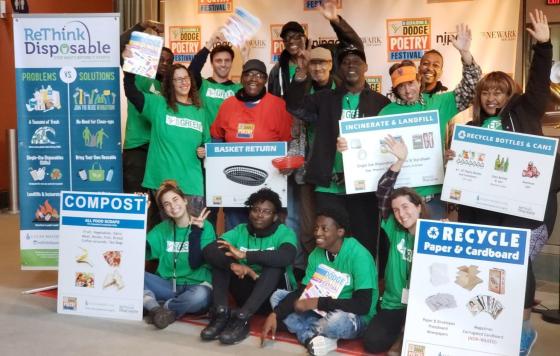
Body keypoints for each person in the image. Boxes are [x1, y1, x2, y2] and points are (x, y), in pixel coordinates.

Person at [450, 10, 555, 356]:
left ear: (510, 95)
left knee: (517, 265)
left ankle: (523, 331)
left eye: (499, 92)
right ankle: (489, 329)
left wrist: (543, 46)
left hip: (528, 212)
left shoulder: (525, 111)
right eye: (486, 94)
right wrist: (455, 163)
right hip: (485, 212)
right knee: (489, 265)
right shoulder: (474, 130)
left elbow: (540, 83)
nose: (492, 99)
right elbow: (466, 177)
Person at [286, 44, 391, 256]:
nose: (351, 65)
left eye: (356, 61)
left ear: (366, 67)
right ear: (339, 68)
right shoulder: (325, 98)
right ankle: (331, 288)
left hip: (364, 188)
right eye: (345, 62)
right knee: (328, 242)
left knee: (364, 242)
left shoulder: (381, 102)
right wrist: (301, 73)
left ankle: (365, 286)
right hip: (330, 188)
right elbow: (294, 105)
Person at [378, 23, 481, 219]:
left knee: (431, 248)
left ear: (419, 80)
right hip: (399, 198)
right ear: (394, 89)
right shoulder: (385, 113)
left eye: (411, 83)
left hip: (432, 197)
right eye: (401, 87)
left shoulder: (439, 103)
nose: (408, 90)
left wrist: (465, 53)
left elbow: (472, 86)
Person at [261, 207, 378, 356]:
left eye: (324, 229)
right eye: (316, 228)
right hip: (321, 310)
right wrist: (275, 315)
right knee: (277, 297)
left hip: (351, 315)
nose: (317, 233)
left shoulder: (359, 255)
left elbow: (363, 305)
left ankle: (308, 332)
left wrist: (318, 303)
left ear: (340, 232)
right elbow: (303, 291)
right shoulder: (316, 254)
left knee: (336, 322)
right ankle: (315, 337)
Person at [200, 188, 297, 345]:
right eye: (256, 210)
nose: (259, 215)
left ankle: (242, 319)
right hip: (246, 293)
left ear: (274, 217)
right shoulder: (240, 230)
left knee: (274, 265)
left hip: (273, 298)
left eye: (266, 211)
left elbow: (287, 256)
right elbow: (210, 250)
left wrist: (246, 256)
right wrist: (233, 265)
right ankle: (221, 313)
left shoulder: (284, 232)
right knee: (221, 260)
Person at [357, 136, 426, 353]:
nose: (401, 214)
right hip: (394, 303)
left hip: (423, 306)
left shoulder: (434, 234)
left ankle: (406, 331)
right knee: (372, 343)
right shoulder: (394, 229)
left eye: (406, 207)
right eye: (396, 210)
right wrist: (399, 161)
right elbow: (383, 191)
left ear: (419, 207)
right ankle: (400, 329)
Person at [210, 59, 293, 231]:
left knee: (267, 236)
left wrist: (287, 163)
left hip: (269, 185)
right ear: (241, 78)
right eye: (248, 74)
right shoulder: (228, 105)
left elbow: (288, 143)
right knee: (235, 233)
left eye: (259, 75)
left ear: (265, 80)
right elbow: (216, 138)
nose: (253, 79)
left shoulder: (278, 106)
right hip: (234, 186)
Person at [123, 58, 210, 219]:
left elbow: (207, 142)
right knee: (164, 238)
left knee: (192, 235)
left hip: (192, 184)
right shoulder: (158, 105)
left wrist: (204, 149)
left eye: (186, 78)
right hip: (162, 184)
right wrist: (129, 67)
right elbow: (131, 91)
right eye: (178, 79)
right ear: (170, 84)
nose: (183, 82)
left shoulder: (200, 111)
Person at [143, 180, 215, 329]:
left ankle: (161, 307)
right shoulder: (162, 229)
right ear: (164, 209)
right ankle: (157, 310)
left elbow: (197, 262)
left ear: (185, 200)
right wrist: (140, 218)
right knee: (135, 275)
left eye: (175, 199)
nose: (172, 206)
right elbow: (139, 250)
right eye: (166, 204)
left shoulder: (205, 226)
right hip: (168, 285)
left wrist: (197, 231)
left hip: (196, 285)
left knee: (200, 296)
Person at [120, 20, 174, 194]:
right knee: (136, 200)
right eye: (161, 59)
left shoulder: (173, 87)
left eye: (169, 61)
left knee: (161, 201)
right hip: (137, 147)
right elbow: (119, 46)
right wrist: (143, 25)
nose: (164, 64)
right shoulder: (140, 75)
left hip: (161, 148)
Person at [268, 0, 363, 98]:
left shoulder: (324, 56)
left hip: (325, 110)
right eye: (286, 38)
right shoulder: (276, 71)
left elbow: (353, 45)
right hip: (295, 111)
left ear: (304, 38)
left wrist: (335, 20)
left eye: (296, 36)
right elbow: (273, 102)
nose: (291, 41)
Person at [188, 30, 244, 127]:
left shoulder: (238, 88)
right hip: (207, 140)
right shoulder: (202, 85)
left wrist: (245, 57)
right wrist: (210, 43)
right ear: (212, 63)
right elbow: (192, 71)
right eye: (218, 60)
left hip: (230, 140)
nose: (223, 64)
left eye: (227, 60)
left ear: (231, 63)